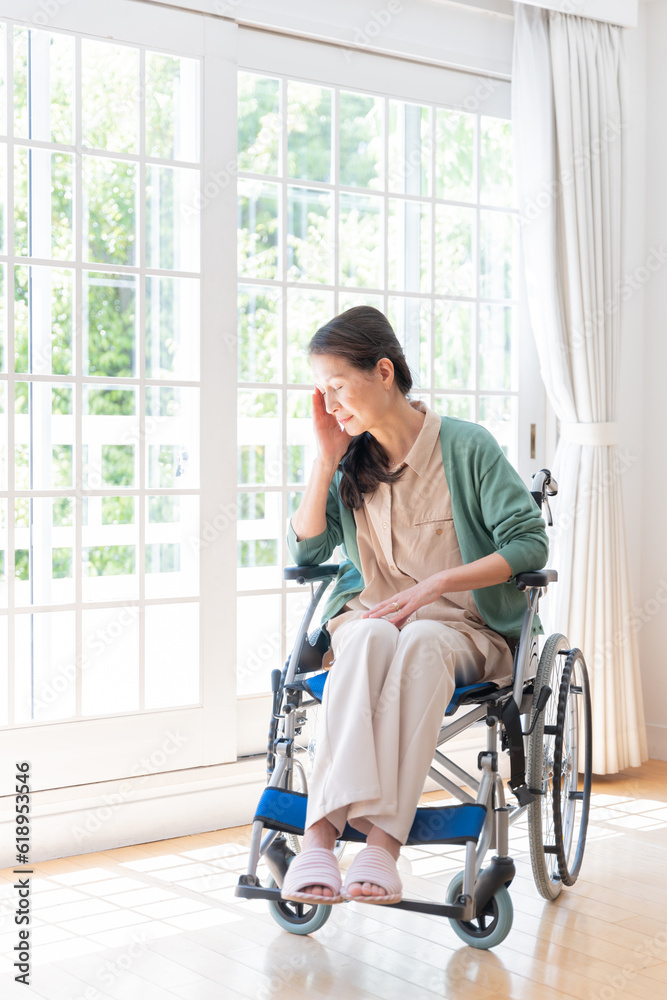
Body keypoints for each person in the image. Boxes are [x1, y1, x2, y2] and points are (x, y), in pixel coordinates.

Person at [280, 306, 548, 906]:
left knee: (422, 640)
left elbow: (528, 541)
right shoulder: (352, 458)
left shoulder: (466, 446)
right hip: (372, 620)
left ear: (382, 372)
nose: (329, 403)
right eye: (321, 391)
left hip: (461, 628)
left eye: (337, 387)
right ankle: (319, 840)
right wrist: (325, 458)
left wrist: (437, 585)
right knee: (372, 637)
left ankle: (381, 846)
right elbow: (307, 544)